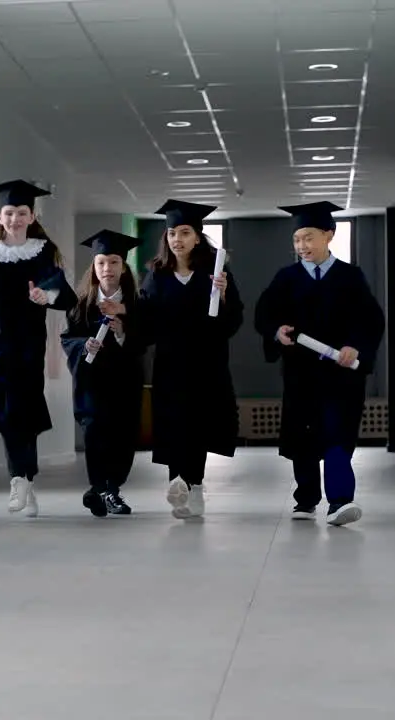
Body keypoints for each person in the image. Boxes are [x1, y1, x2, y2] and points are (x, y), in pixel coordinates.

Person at [253, 201, 386, 526]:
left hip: (341, 376)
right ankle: (306, 498)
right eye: (297, 239)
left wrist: (356, 347)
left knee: (338, 435)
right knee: (304, 437)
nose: (302, 246)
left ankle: (340, 501)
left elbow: (371, 319)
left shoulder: (350, 277)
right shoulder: (286, 278)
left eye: (309, 238)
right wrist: (277, 331)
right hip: (301, 374)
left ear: (329, 235)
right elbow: (265, 314)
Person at [107, 199, 242, 519]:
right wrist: (124, 313)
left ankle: (194, 485)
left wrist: (223, 297)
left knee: (199, 425)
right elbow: (147, 320)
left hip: (207, 363)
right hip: (171, 363)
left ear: (198, 236)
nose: (177, 239)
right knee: (174, 424)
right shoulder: (157, 275)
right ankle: (178, 484)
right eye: (171, 233)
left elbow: (232, 322)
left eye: (184, 232)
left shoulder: (217, 274)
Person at [0, 179, 76, 517]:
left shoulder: (43, 253)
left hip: (29, 343)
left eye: (22, 212)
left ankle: (26, 480)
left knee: (27, 410)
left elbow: (66, 296)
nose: (15, 219)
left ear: (32, 215)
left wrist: (45, 295)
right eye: (9, 213)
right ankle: (19, 479)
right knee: (8, 410)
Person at [60, 229, 146, 517]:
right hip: (91, 382)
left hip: (125, 381)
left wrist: (122, 330)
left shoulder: (137, 303)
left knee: (122, 436)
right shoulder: (81, 304)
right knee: (96, 433)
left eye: (113, 262)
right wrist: (83, 344)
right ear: (94, 268)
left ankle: (109, 489)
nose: (107, 268)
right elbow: (67, 338)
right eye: (101, 263)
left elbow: (147, 339)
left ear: (123, 266)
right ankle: (102, 488)